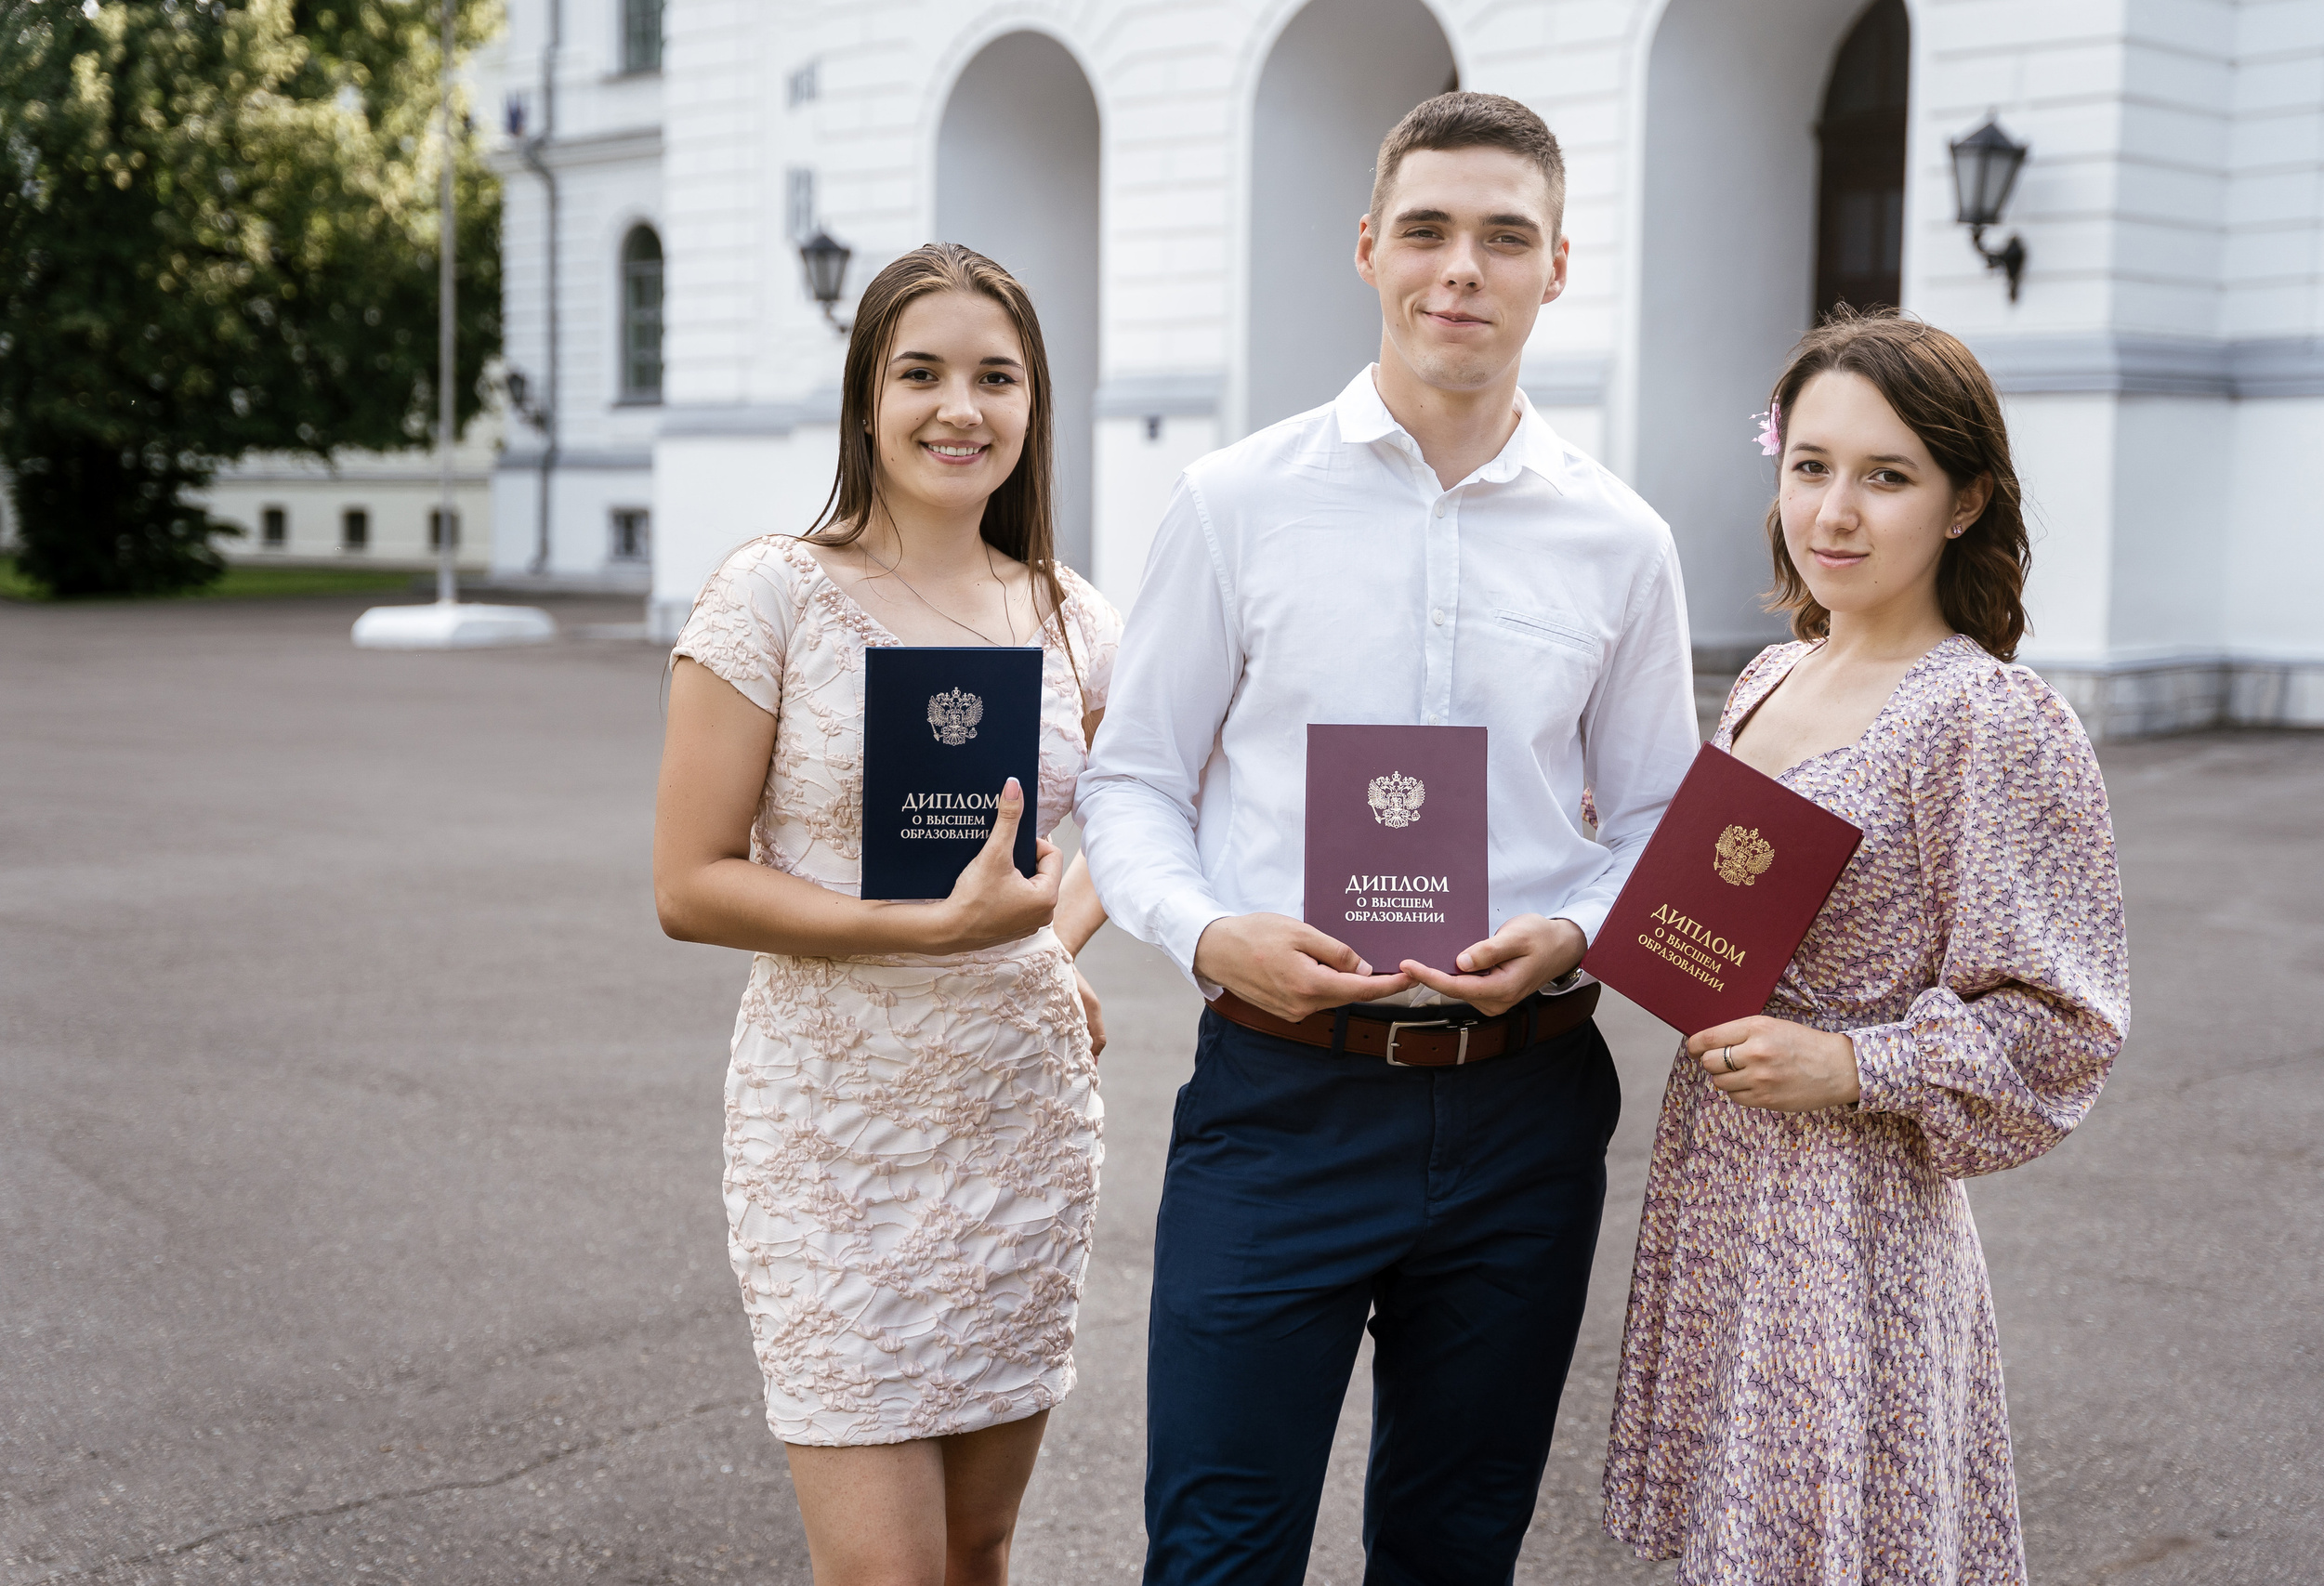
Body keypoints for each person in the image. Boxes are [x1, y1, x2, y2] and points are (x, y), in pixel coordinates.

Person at [1077, 93, 1701, 1583]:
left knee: (1455, 1547)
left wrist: (1582, 931)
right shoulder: (1236, 504)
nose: (1460, 270)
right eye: (1426, 230)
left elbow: (1665, 816)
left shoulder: (1623, 541)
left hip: (1525, 1107)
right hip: (1280, 1101)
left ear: (1560, 268)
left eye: (1505, 237)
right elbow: (1134, 779)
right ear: (1369, 247)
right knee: (1219, 1549)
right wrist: (1210, 930)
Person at [1600, 309, 2130, 1583]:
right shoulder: (1770, 677)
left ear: (1964, 502)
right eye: (1812, 467)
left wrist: (1851, 1064)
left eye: (1886, 476)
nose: (1834, 511)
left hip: (1855, 1216)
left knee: (1833, 1545)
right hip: (1721, 1174)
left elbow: (2063, 1027)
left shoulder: (1990, 722)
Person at [650, 242, 1123, 1586]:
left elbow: (1149, 824)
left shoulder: (1074, 620)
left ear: (1034, 408)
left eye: (996, 377)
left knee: (977, 1549)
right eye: (921, 373)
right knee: (889, 1575)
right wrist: (935, 932)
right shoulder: (771, 594)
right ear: (867, 397)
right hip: (830, 1135)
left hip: (1017, 1125)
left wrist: (1043, 937)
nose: (958, 408)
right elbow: (689, 882)